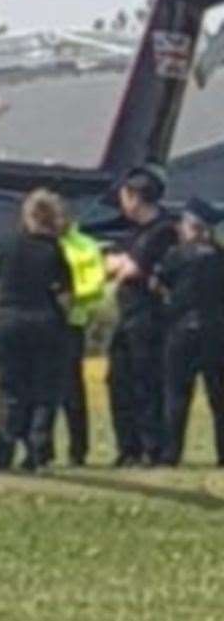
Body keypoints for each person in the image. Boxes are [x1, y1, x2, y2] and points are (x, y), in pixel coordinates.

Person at [0, 189, 72, 471]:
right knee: (44, 390)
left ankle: (3, 448)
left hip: (8, 322)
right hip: (44, 322)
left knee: (9, 389)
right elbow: (65, 296)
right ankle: (38, 450)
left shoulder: (7, 245)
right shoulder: (53, 251)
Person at [104, 164, 178, 467]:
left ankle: (153, 447)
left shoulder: (162, 231)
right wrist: (121, 265)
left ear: (135, 197)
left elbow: (131, 268)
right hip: (129, 315)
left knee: (146, 382)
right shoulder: (133, 233)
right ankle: (128, 447)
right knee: (118, 381)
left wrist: (123, 265)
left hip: (150, 318)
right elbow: (111, 265)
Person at [152, 197, 224, 466]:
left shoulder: (176, 255)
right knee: (219, 398)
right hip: (217, 332)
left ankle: (171, 454)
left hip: (181, 332)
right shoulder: (220, 256)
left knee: (176, 395)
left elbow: (157, 284)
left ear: (191, 225)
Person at [53, 215, 108, 466]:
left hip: (69, 323)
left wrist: (70, 299)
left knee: (70, 392)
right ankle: (43, 448)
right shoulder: (47, 243)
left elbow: (93, 286)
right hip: (47, 322)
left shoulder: (83, 245)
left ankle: (78, 450)